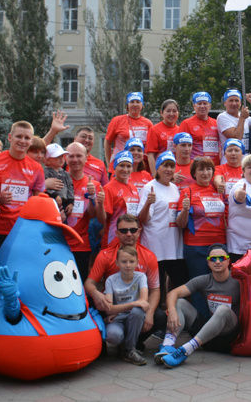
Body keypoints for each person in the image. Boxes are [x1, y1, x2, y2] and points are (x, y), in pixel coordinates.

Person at [0, 121, 45, 285]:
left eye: (26, 138)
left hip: (20, 232)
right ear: (10, 137)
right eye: (18, 136)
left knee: (15, 278)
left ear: (31, 141)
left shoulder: (36, 168)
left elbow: (39, 202)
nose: (22, 141)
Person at [87, 214, 164, 351]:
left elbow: (155, 290)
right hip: (112, 305)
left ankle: (131, 344)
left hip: (137, 306)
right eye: (123, 231)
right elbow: (89, 283)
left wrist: (150, 314)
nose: (129, 234)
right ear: (116, 233)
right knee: (91, 303)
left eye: (133, 230)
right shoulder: (105, 255)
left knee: (159, 316)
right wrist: (96, 293)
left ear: (139, 231)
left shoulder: (149, 256)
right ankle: (101, 343)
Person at [157, 244, 241, 368]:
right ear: (208, 263)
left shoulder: (238, 281)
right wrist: (172, 311)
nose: (217, 262)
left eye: (221, 258)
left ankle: (185, 350)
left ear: (228, 261)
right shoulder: (204, 280)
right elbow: (173, 293)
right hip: (206, 339)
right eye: (213, 259)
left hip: (228, 339)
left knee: (223, 310)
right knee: (179, 302)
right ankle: (167, 346)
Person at [137, 151, 186, 292]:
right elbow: (142, 219)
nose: (169, 170)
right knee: (155, 289)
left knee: (181, 285)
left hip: (174, 248)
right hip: (155, 248)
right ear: (157, 168)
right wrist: (147, 203)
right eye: (165, 166)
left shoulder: (175, 188)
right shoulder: (149, 187)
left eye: (172, 166)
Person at [177, 157, 226, 286]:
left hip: (219, 244)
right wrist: (185, 210)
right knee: (198, 285)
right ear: (194, 173)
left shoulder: (218, 190)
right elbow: (181, 224)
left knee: (219, 284)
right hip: (196, 246)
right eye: (201, 169)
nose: (205, 173)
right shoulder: (187, 192)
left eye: (208, 169)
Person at [103, 245, 150, 365]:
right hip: (117, 319)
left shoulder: (141, 277)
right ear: (117, 263)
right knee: (113, 336)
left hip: (133, 317)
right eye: (124, 261)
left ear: (137, 263)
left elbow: (143, 302)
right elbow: (109, 309)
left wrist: (117, 310)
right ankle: (122, 346)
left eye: (131, 261)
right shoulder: (111, 280)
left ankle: (129, 349)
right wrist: (133, 303)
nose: (128, 265)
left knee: (137, 312)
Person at [65, 143, 105, 278]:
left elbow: (94, 215)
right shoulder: (58, 180)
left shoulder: (94, 185)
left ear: (86, 158)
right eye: (71, 156)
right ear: (65, 158)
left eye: (79, 156)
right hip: (58, 243)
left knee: (79, 284)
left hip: (80, 245)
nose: (75, 159)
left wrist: (92, 197)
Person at [101, 150, 141, 247]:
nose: (125, 169)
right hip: (114, 239)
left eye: (128, 166)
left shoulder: (133, 188)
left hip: (131, 238)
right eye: (121, 165)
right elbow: (104, 219)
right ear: (115, 167)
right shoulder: (108, 188)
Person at [105, 92, 153, 171]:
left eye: (138, 102)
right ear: (127, 105)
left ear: (142, 105)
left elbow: (150, 147)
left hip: (141, 167)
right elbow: (107, 142)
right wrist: (108, 162)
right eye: (132, 102)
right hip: (120, 166)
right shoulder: (117, 120)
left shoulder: (148, 123)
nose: (135, 105)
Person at [215, 89, 251, 164]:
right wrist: (242, 118)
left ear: (240, 103)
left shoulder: (244, 116)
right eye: (231, 101)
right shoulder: (222, 117)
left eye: (237, 101)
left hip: (245, 161)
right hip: (229, 162)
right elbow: (236, 137)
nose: (234, 103)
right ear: (225, 103)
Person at [180, 92, 221, 161]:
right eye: (199, 104)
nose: (202, 106)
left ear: (210, 106)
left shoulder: (217, 123)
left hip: (215, 166)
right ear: (194, 106)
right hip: (196, 166)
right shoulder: (186, 123)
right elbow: (180, 147)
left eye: (205, 103)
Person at [145, 99, 181, 172]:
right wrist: (155, 175)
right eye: (168, 111)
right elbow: (151, 155)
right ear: (162, 113)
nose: (171, 114)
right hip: (161, 171)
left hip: (176, 171)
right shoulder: (154, 130)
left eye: (174, 111)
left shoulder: (181, 130)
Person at [43, 143, 74, 213]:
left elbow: (70, 187)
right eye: (57, 157)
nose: (61, 159)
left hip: (64, 204)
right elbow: (44, 189)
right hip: (50, 203)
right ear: (48, 160)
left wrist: (71, 202)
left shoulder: (66, 173)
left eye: (62, 156)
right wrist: (54, 195)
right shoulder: (45, 172)